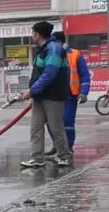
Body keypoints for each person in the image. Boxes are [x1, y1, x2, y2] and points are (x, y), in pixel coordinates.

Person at [19, 21, 72, 169]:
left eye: (32, 32)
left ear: (37, 34)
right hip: (40, 95)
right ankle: (37, 158)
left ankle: (64, 156)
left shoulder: (54, 48)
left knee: (56, 127)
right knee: (36, 127)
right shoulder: (43, 48)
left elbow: (50, 73)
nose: (32, 35)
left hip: (53, 96)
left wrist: (32, 90)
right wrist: (32, 91)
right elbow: (39, 73)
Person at [44, 31, 91, 155]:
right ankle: (58, 145)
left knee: (67, 122)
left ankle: (68, 147)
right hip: (53, 94)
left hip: (70, 94)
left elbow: (84, 74)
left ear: (59, 42)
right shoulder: (50, 53)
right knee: (50, 122)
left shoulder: (75, 54)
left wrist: (84, 92)